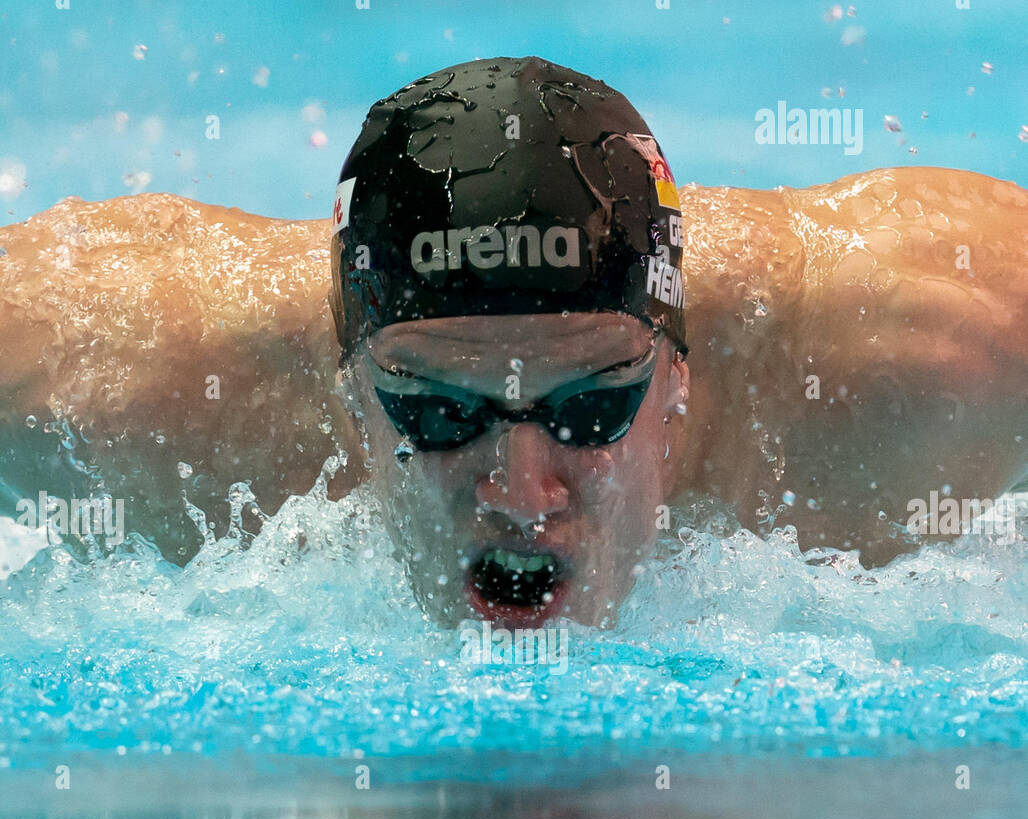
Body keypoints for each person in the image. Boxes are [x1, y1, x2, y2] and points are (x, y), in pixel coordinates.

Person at [0, 56, 1025, 626]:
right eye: (439, 413)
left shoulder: (928, 354)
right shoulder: (124, 382)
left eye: (589, 407)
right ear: (347, 382)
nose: (520, 492)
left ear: (679, 368)